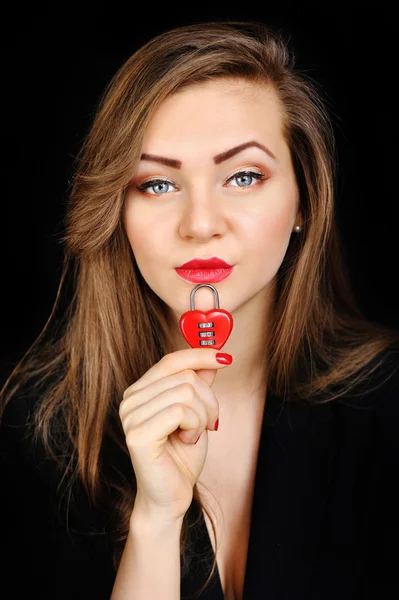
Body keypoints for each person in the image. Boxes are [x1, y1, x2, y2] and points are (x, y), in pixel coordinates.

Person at [1, 20, 398, 600]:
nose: (201, 224)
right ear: (115, 207)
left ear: (304, 201)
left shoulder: (387, 404)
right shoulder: (28, 429)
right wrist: (155, 525)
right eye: (157, 185)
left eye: (242, 176)